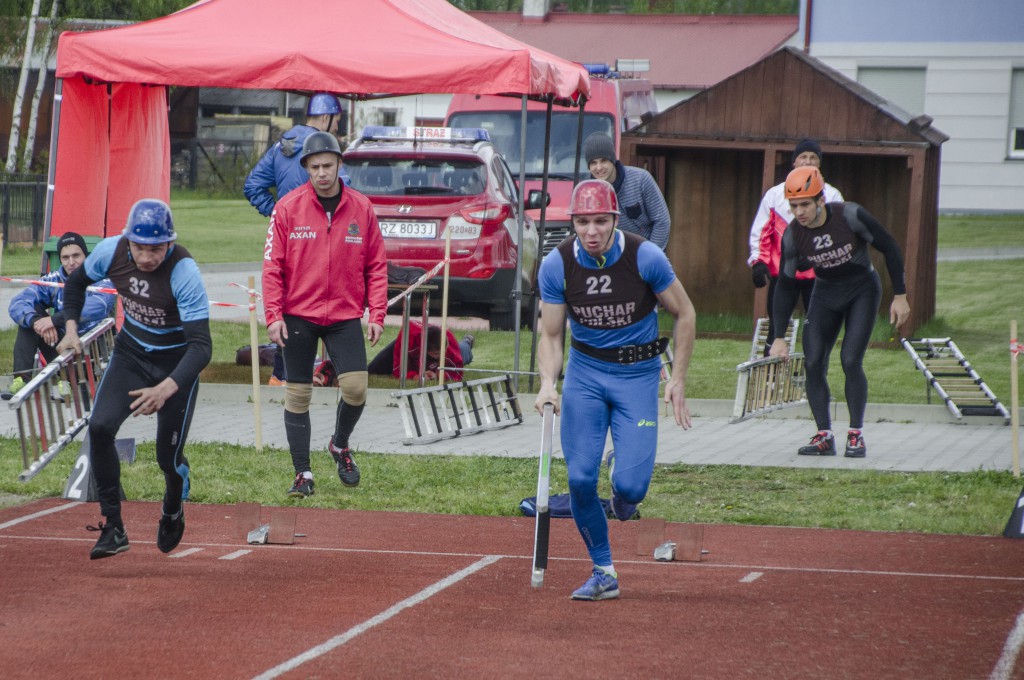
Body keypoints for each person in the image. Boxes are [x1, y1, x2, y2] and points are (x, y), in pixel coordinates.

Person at [533, 179, 695, 601]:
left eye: (600, 221)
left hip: (638, 376)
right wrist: (548, 383)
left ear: (615, 220)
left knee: (630, 491)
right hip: (585, 376)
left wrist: (677, 378)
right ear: (573, 222)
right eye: (583, 222)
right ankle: (603, 571)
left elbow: (685, 312)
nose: (591, 231)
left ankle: (620, 478)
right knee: (581, 478)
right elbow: (550, 335)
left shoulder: (646, 257)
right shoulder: (557, 264)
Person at [56, 199, 212, 559]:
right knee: (99, 426)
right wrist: (70, 328)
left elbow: (202, 347)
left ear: (169, 243)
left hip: (176, 364)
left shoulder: (183, 271)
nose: (146, 257)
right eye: (140, 247)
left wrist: (167, 388)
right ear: (128, 240)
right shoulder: (111, 251)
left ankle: (173, 506)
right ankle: (113, 527)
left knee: (166, 460)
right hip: (132, 354)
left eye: (156, 248)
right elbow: (76, 284)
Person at [262, 131, 388, 499]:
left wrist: (376, 313)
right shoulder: (286, 208)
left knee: (356, 387)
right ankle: (303, 473)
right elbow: (272, 266)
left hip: (344, 314)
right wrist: (274, 315)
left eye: (327, 166)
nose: (321, 173)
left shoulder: (362, 208)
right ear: (306, 168)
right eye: (314, 167)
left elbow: (377, 266)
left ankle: (340, 444)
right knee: (298, 395)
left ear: (339, 164)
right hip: (298, 314)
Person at [769, 166, 910, 459]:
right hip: (826, 293)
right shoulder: (794, 235)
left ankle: (855, 435)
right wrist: (779, 336)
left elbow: (890, 247)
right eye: (793, 206)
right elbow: (785, 285)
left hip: (862, 290)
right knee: (813, 361)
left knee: (850, 360)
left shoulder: (850, 216)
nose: (799, 212)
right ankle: (824, 435)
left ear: (821, 200)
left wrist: (900, 296)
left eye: (805, 204)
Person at [244, 92, 344, 385]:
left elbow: (252, 186)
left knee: (288, 306)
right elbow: (343, 192)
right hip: (318, 245)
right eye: (336, 122)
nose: (336, 129)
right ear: (326, 118)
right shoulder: (326, 154)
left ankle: (280, 375)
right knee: (317, 308)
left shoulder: (281, 145)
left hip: (286, 240)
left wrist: (277, 215)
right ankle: (305, 373)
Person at [747, 139, 845, 355]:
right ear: (793, 162)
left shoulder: (831, 195)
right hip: (784, 274)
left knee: (818, 327)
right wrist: (758, 262)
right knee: (776, 327)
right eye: (803, 157)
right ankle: (770, 377)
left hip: (818, 276)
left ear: (819, 164)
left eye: (813, 158)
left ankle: (815, 375)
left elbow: (838, 235)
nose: (807, 162)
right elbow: (762, 232)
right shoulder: (774, 195)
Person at [4, 232, 115, 397]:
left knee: (46, 321)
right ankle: (22, 381)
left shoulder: (102, 278)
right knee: (31, 315)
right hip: (64, 348)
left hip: (93, 354)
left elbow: (97, 306)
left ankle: (68, 381)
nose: (71, 262)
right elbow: (18, 302)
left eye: (76, 256)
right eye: (65, 257)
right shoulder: (54, 279)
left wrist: (54, 320)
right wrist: (36, 321)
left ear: (86, 255)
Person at [583, 132, 671, 251]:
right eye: (593, 163)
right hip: (609, 256)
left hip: (646, 250)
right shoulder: (585, 190)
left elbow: (662, 221)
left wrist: (650, 256)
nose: (599, 167)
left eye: (603, 160)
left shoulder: (641, 179)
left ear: (613, 160)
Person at [367, 321, 474, 382]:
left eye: (442, 352)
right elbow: (398, 370)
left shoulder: (450, 345)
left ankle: (467, 341)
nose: (440, 355)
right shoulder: (408, 337)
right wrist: (414, 376)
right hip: (413, 346)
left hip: (454, 347)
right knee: (370, 370)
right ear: (424, 349)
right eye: (436, 353)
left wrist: (439, 375)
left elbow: (458, 374)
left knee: (463, 350)